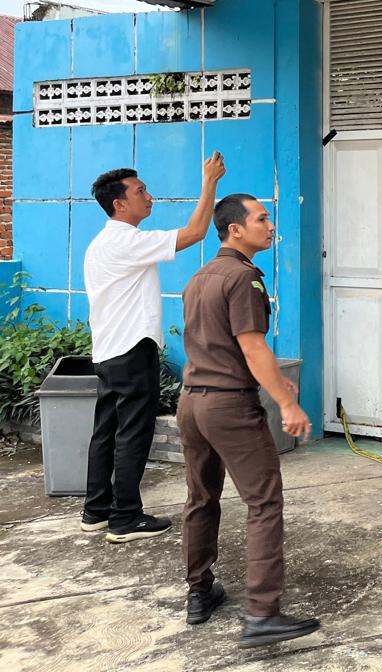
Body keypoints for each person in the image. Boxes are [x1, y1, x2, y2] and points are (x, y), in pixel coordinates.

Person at [178, 193, 319, 648]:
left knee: (201, 498)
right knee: (263, 502)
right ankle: (263, 613)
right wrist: (287, 404)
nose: (270, 225)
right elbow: (251, 347)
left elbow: (219, 346)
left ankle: (199, 592)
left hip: (192, 403)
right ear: (235, 229)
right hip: (228, 408)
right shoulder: (243, 279)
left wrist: (279, 383)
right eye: (262, 218)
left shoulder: (200, 277)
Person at [81, 154, 225, 543]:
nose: (149, 196)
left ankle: (96, 510)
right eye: (140, 191)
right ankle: (125, 518)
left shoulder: (102, 243)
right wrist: (209, 182)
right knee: (133, 432)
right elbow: (195, 232)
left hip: (109, 349)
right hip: (131, 350)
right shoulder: (126, 241)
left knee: (107, 430)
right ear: (120, 204)